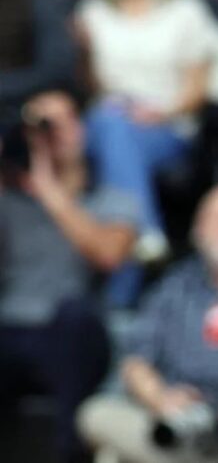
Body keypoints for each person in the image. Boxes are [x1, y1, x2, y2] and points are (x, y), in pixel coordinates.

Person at [77, 182, 218, 463]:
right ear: (199, 229)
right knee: (95, 415)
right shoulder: (171, 287)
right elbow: (136, 363)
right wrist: (162, 400)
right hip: (179, 419)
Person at [75, 0, 218, 279]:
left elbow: (197, 88)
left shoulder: (186, 10)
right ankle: (146, 232)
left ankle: (135, 246)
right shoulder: (92, 12)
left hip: (168, 125)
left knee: (117, 148)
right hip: (107, 122)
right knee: (111, 123)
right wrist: (82, 54)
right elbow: (94, 89)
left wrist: (160, 113)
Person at [0, 89, 137, 463]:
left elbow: (109, 255)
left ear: (81, 130)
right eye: (42, 125)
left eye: (60, 123)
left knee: (74, 318)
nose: (52, 134)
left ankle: (67, 454)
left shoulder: (111, 200)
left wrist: (49, 188)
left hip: (74, 333)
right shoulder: (6, 200)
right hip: (9, 330)